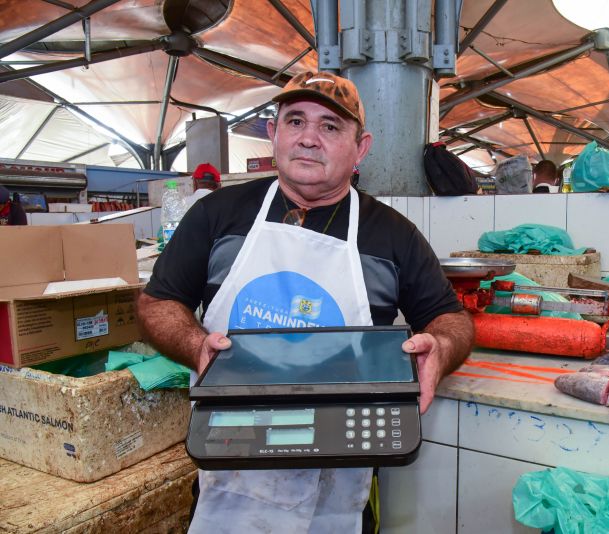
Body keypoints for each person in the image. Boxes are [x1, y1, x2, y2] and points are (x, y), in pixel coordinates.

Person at [136, 71, 474, 534]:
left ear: (361, 148)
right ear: (274, 134)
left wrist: (441, 345)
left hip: (343, 467)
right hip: (233, 461)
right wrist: (195, 344)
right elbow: (159, 302)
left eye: (331, 127)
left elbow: (450, 318)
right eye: (295, 121)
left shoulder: (393, 236)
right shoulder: (217, 215)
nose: (309, 139)